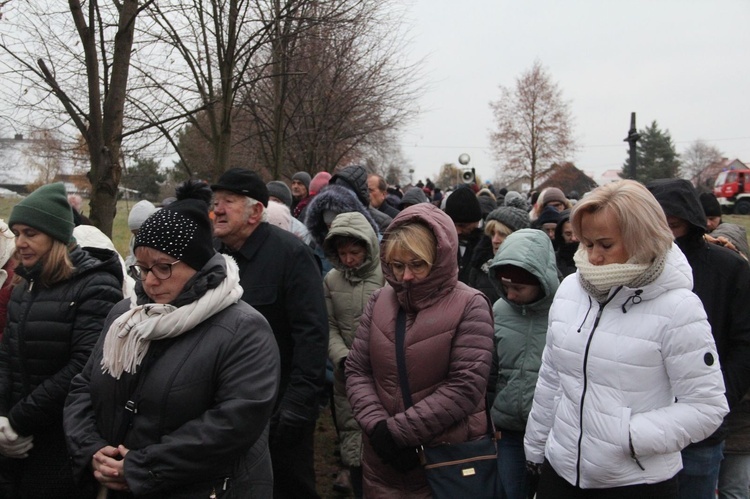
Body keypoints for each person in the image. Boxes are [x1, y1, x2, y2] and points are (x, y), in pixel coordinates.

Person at [64, 180, 280, 498]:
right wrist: (93, 451)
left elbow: (233, 424)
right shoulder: (126, 315)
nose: (149, 281)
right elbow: (84, 386)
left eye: (163, 267)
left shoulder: (244, 329)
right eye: (142, 268)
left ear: (197, 265)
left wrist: (141, 467)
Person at [525, 180, 729, 498]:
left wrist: (627, 437)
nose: (593, 257)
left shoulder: (678, 307)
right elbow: (552, 378)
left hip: (636, 483)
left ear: (641, 240)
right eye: (587, 244)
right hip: (560, 471)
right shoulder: (570, 290)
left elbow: (707, 407)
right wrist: (535, 449)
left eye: (605, 245)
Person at [346, 203, 495, 497]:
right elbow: (358, 369)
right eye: (398, 265)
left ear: (439, 259)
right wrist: (377, 428)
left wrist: (398, 433)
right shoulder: (379, 301)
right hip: (382, 460)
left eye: (417, 265)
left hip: (444, 461)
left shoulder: (470, 305)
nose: (406, 277)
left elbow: (465, 386)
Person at [0, 182, 123, 498]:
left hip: (62, 441)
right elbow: (7, 355)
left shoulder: (95, 287)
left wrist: (20, 419)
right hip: (16, 441)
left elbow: (84, 365)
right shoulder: (23, 286)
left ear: (56, 236)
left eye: (31, 233)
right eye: (17, 233)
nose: (20, 243)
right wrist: (3, 420)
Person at [211, 168, 328, 499]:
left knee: (288, 487)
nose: (217, 209)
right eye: (215, 201)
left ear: (255, 212)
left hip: (278, 412)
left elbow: (312, 335)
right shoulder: (211, 256)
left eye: (228, 202)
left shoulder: (291, 256)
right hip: (223, 409)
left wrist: (296, 406)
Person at [647, 178, 750, 499]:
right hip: (643, 429)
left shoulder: (727, 269)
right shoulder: (629, 271)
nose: (664, 236)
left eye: (673, 225)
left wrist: (715, 402)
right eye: (654, 226)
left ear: (690, 222)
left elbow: (744, 344)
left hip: (701, 436)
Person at [488, 229, 559, 499]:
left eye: (518, 287)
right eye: (506, 287)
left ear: (541, 281)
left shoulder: (564, 309)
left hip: (553, 434)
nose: (512, 295)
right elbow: (490, 371)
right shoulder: (498, 311)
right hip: (508, 432)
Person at [323, 212, 385, 498]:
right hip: (347, 373)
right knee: (353, 440)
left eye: (355, 252)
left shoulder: (387, 275)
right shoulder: (331, 280)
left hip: (384, 373)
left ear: (368, 247)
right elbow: (329, 325)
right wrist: (342, 356)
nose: (348, 259)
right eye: (343, 253)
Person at [468, 205, 530, 304]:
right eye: (492, 234)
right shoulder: (479, 268)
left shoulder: (533, 270)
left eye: (502, 234)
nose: (495, 240)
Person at [330, 165, 392, 233]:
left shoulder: (385, 222)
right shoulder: (326, 212)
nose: (368, 194)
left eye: (370, 190)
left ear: (384, 194)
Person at [443, 185, 484, 285]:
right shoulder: (440, 243)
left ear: (476, 222)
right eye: (452, 224)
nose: (457, 231)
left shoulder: (485, 247)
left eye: (462, 225)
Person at [554, 209, 579, 277]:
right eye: (568, 234)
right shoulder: (553, 260)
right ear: (561, 234)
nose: (573, 238)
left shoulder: (592, 259)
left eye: (577, 233)